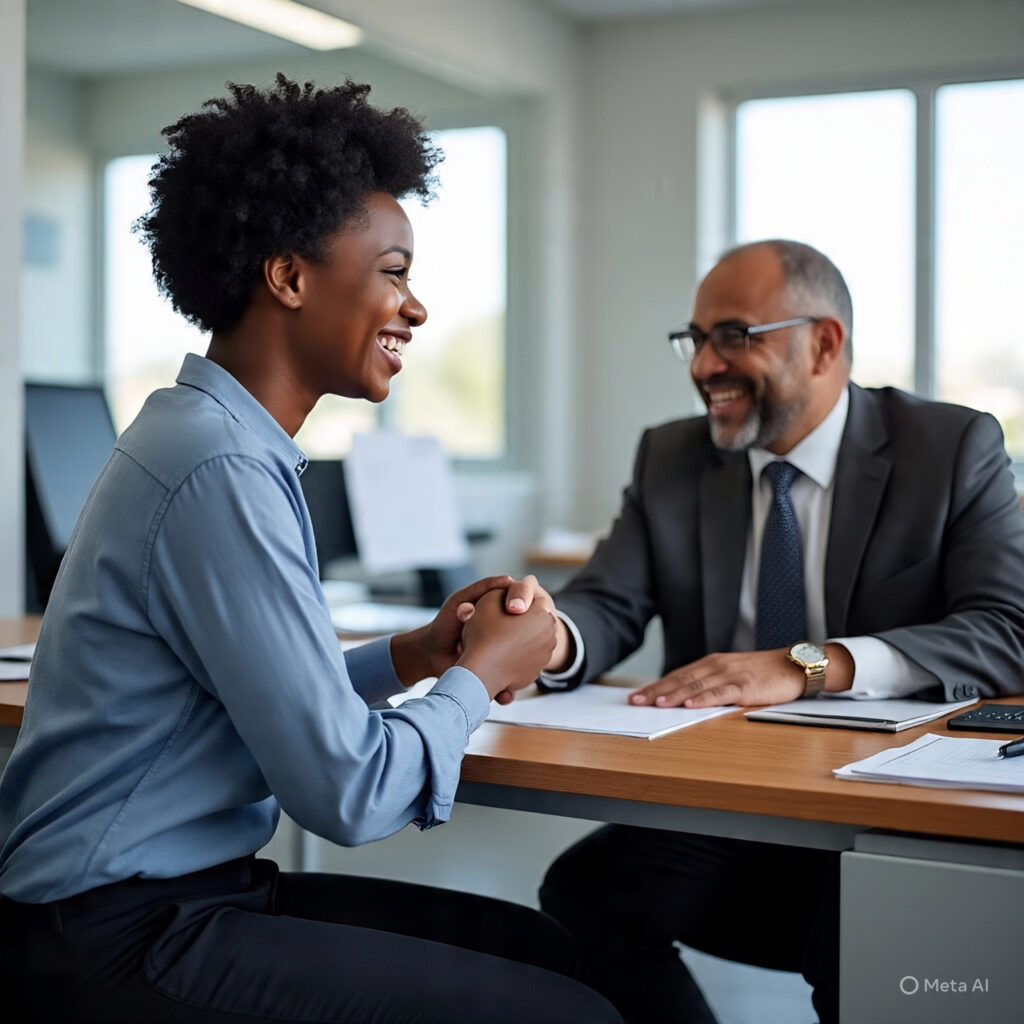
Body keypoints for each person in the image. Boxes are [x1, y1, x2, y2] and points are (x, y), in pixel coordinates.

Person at [0, 75, 622, 1024]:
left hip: (179, 896)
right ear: (289, 278)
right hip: (114, 937)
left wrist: (413, 657)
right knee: (569, 1012)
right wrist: (477, 676)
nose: (415, 307)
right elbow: (349, 791)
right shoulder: (218, 468)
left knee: (551, 955)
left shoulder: (213, 439)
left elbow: (259, 690)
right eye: (394, 271)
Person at [534, 239, 1024, 1024]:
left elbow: (1006, 631)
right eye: (695, 340)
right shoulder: (673, 456)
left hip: (885, 801)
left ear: (824, 343)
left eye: (733, 335)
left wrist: (809, 665)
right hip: (734, 795)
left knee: (862, 943)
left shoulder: (950, 448)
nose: (702, 366)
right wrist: (545, 636)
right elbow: (607, 602)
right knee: (585, 895)